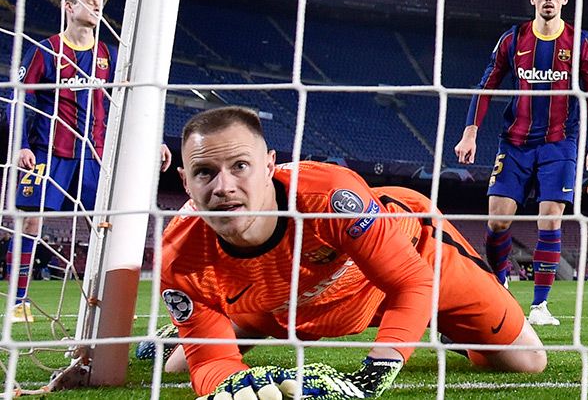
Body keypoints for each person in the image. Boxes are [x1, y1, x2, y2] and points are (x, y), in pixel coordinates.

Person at [158, 107, 546, 399]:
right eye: (205, 172)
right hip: (286, 300)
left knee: (527, 362)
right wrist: (235, 385)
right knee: (180, 367)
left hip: (413, 259)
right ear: (185, 182)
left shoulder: (330, 196)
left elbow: (411, 280)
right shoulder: (179, 258)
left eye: (240, 166)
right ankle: (214, 322)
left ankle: (442, 328)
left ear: (269, 166)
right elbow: (211, 364)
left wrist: (375, 372)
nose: (224, 186)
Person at [8, 0, 169, 322]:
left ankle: (103, 300)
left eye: (100, 4)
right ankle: (17, 302)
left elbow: (129, 102)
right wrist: (21, 144)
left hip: (96, 156)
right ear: (69, 6)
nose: (97, 9)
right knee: (30, 223)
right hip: (48, 153)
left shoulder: (109, 56)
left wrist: (152, 137)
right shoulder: (45, 50)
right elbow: (22, 98)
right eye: (90, 2)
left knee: (108, 224)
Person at [454, 0, 588, 327]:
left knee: (550, 218)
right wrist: (470, 132)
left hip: (560, 142)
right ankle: (502, 283)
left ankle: (539, 306)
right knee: (497, 220)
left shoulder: (580, 41)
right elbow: (486, 84)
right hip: (516, 141)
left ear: (565, 0)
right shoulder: (513, 38)